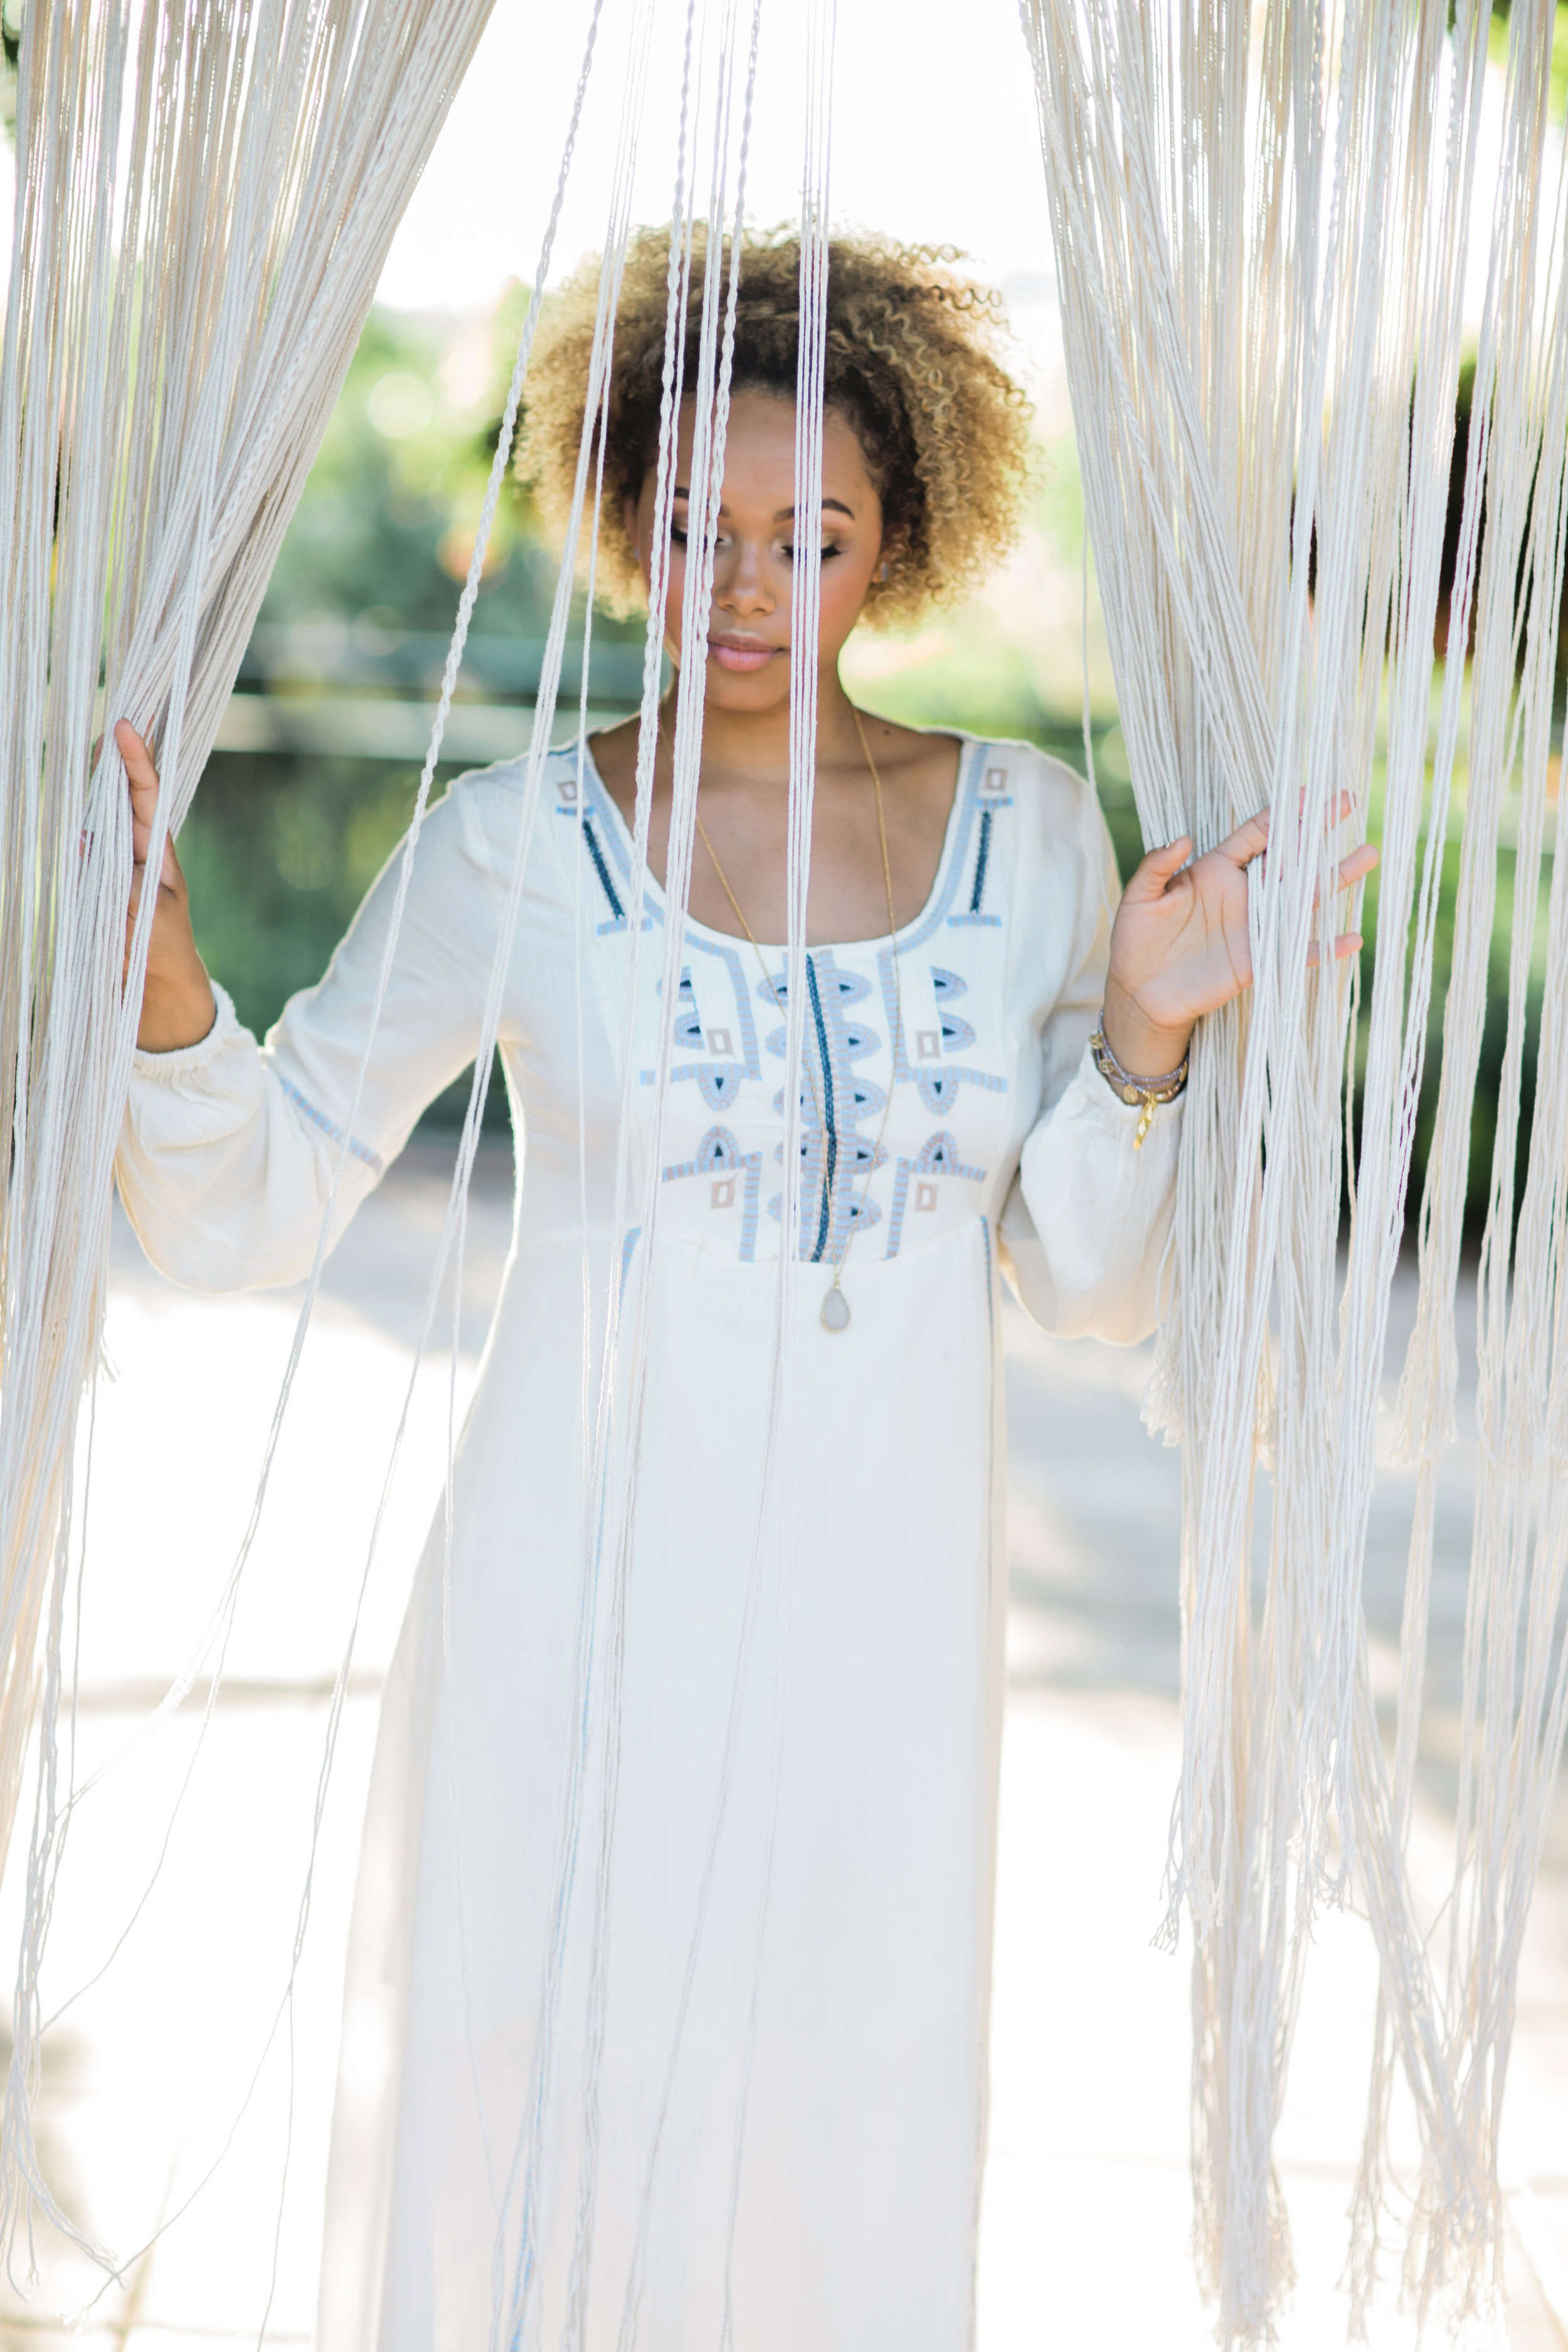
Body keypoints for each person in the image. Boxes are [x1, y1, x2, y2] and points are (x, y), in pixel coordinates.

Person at [114, 229, 1372, 2352]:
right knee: (543, 2110)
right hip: (567, 1613)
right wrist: (140, 929)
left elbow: (1082, 1283)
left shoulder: (1037, 845)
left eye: (814, 535)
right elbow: (251, 1202)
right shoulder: (513, 847)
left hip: (882, 1645)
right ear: (624, 525)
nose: (748, 587)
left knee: (848, 2123)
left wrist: (1148, 1035)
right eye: (695, 528)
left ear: (900, 544)